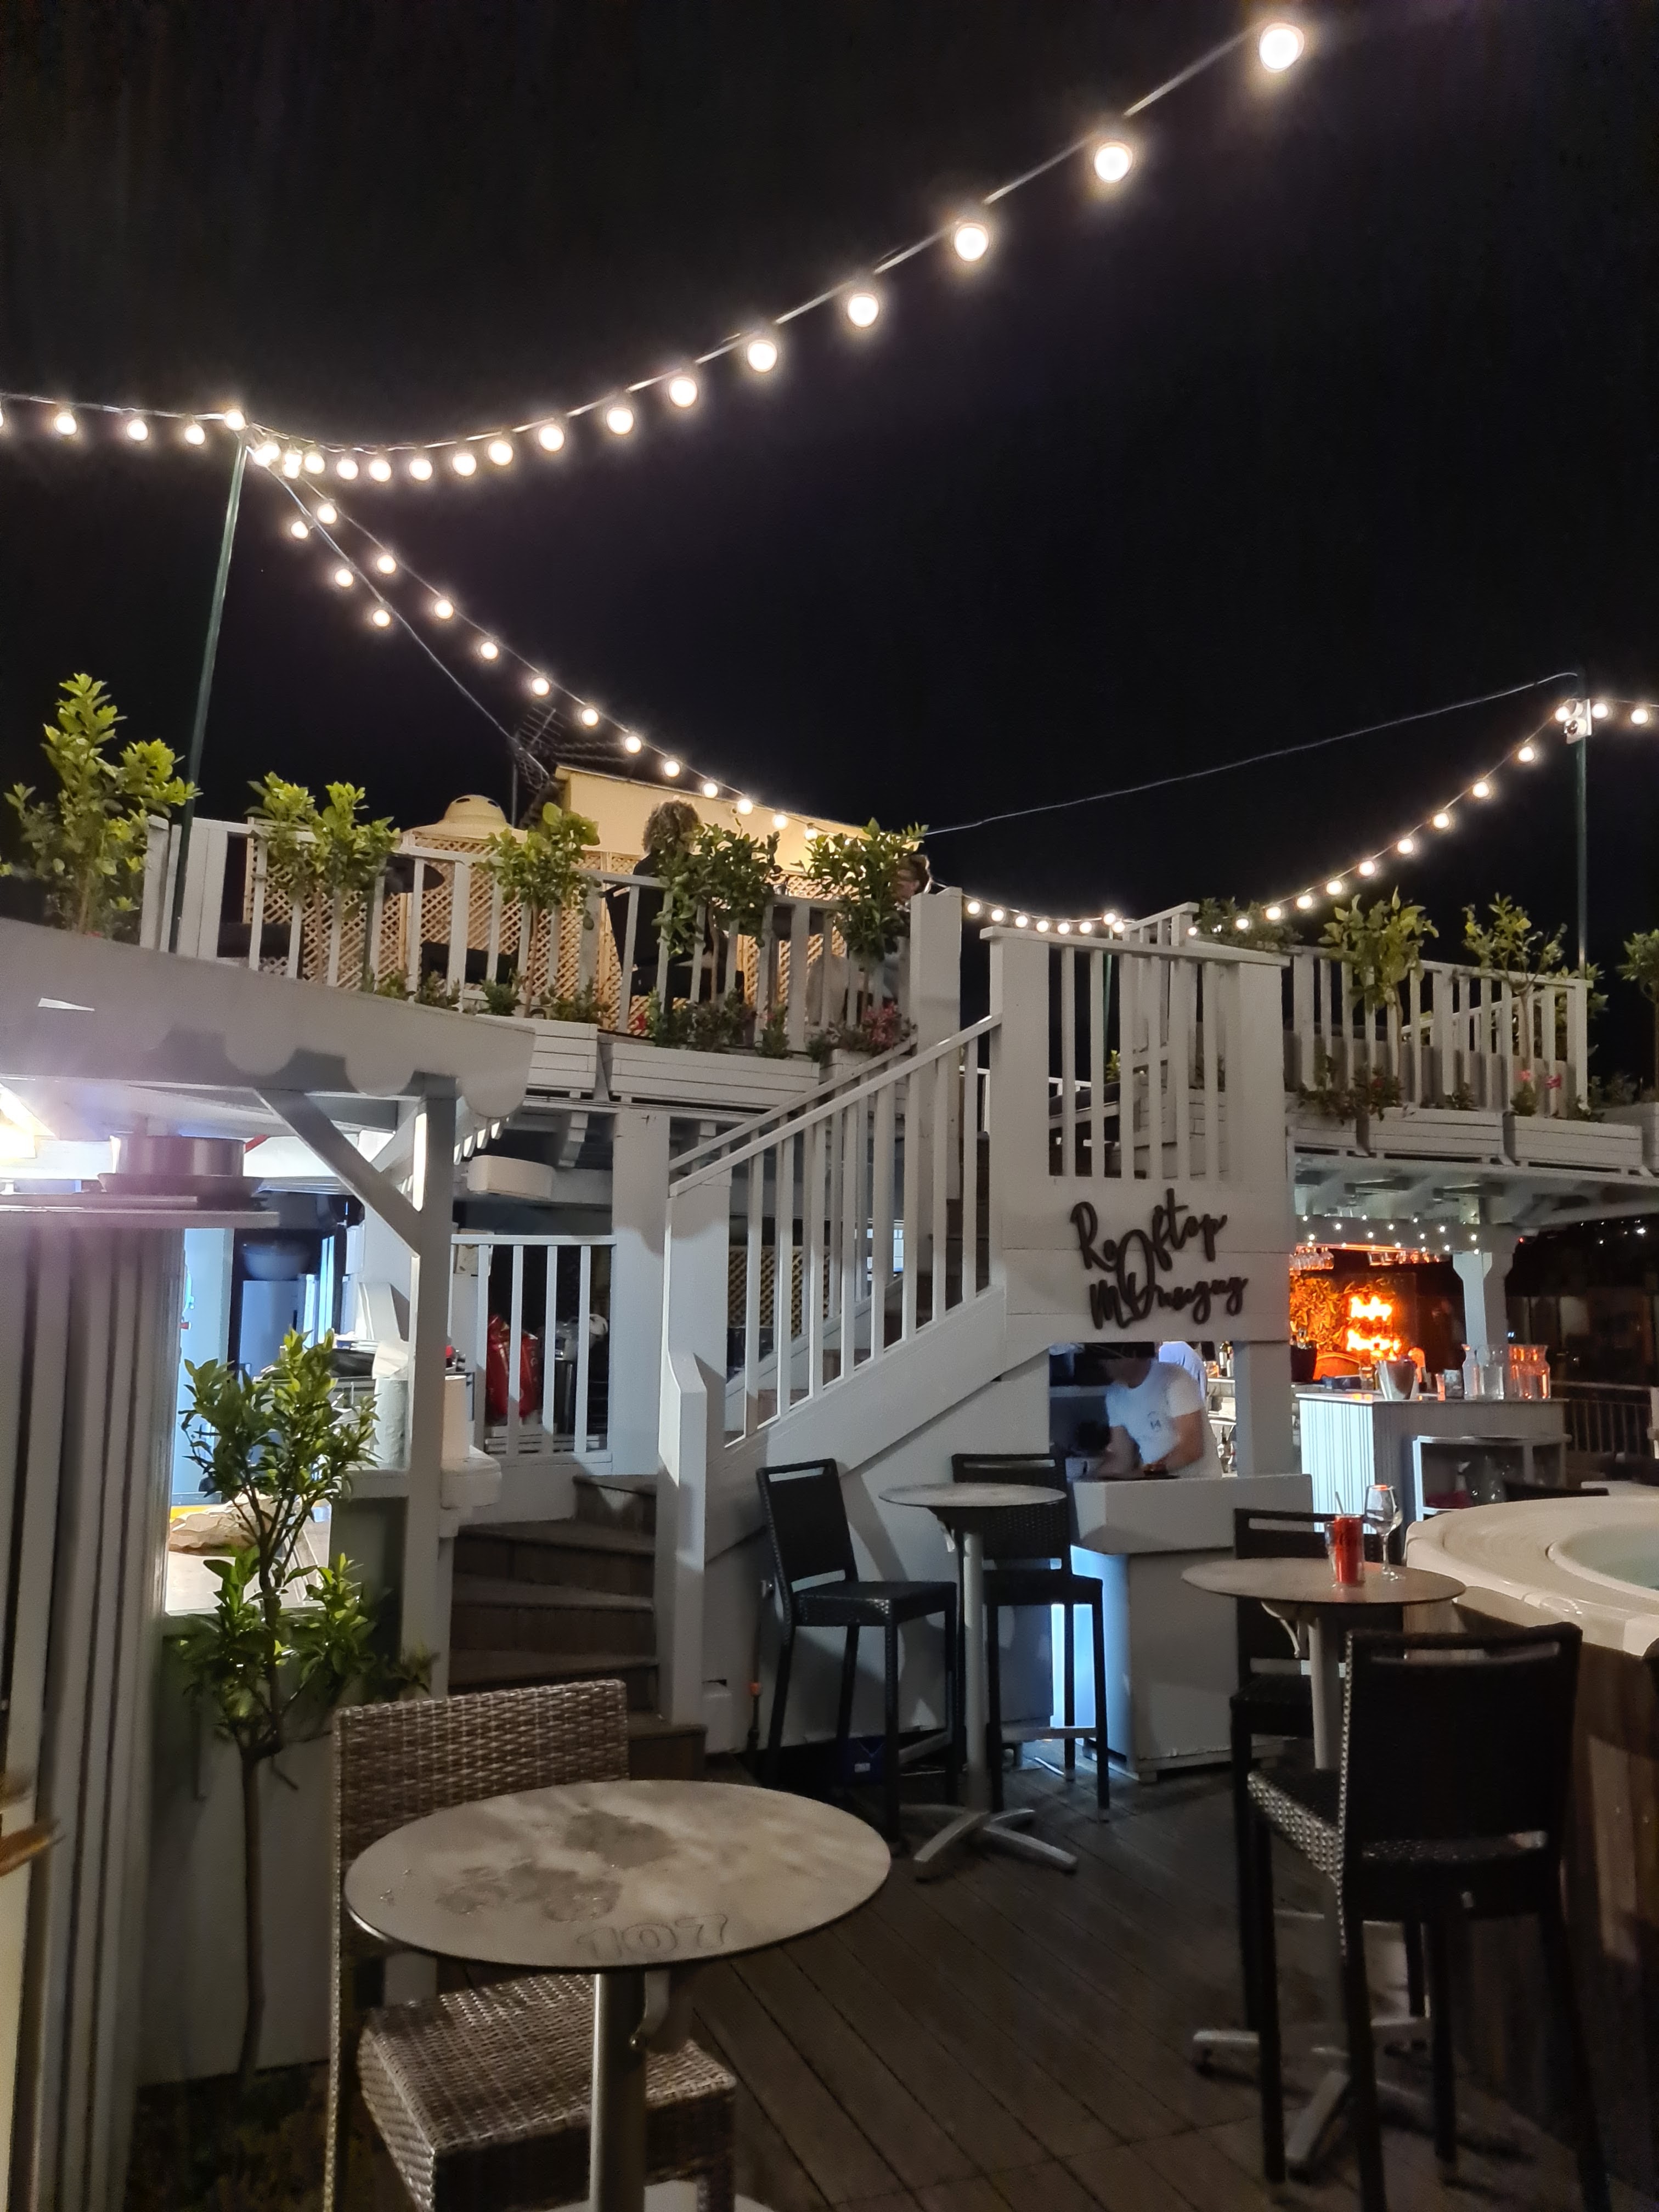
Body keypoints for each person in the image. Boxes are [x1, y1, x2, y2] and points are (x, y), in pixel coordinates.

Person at [1099, 1341, 1220, 1478]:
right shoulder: (1114, 1395)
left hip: (1199, 1484)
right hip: (1155, 1485)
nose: (1104, 1362)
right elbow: (1121, 1458)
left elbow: (1191, 1449)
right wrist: (1089, 1479)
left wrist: (1143, 1475)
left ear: (1131, 1355)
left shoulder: (1175, 1378)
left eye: (1109, 1357)